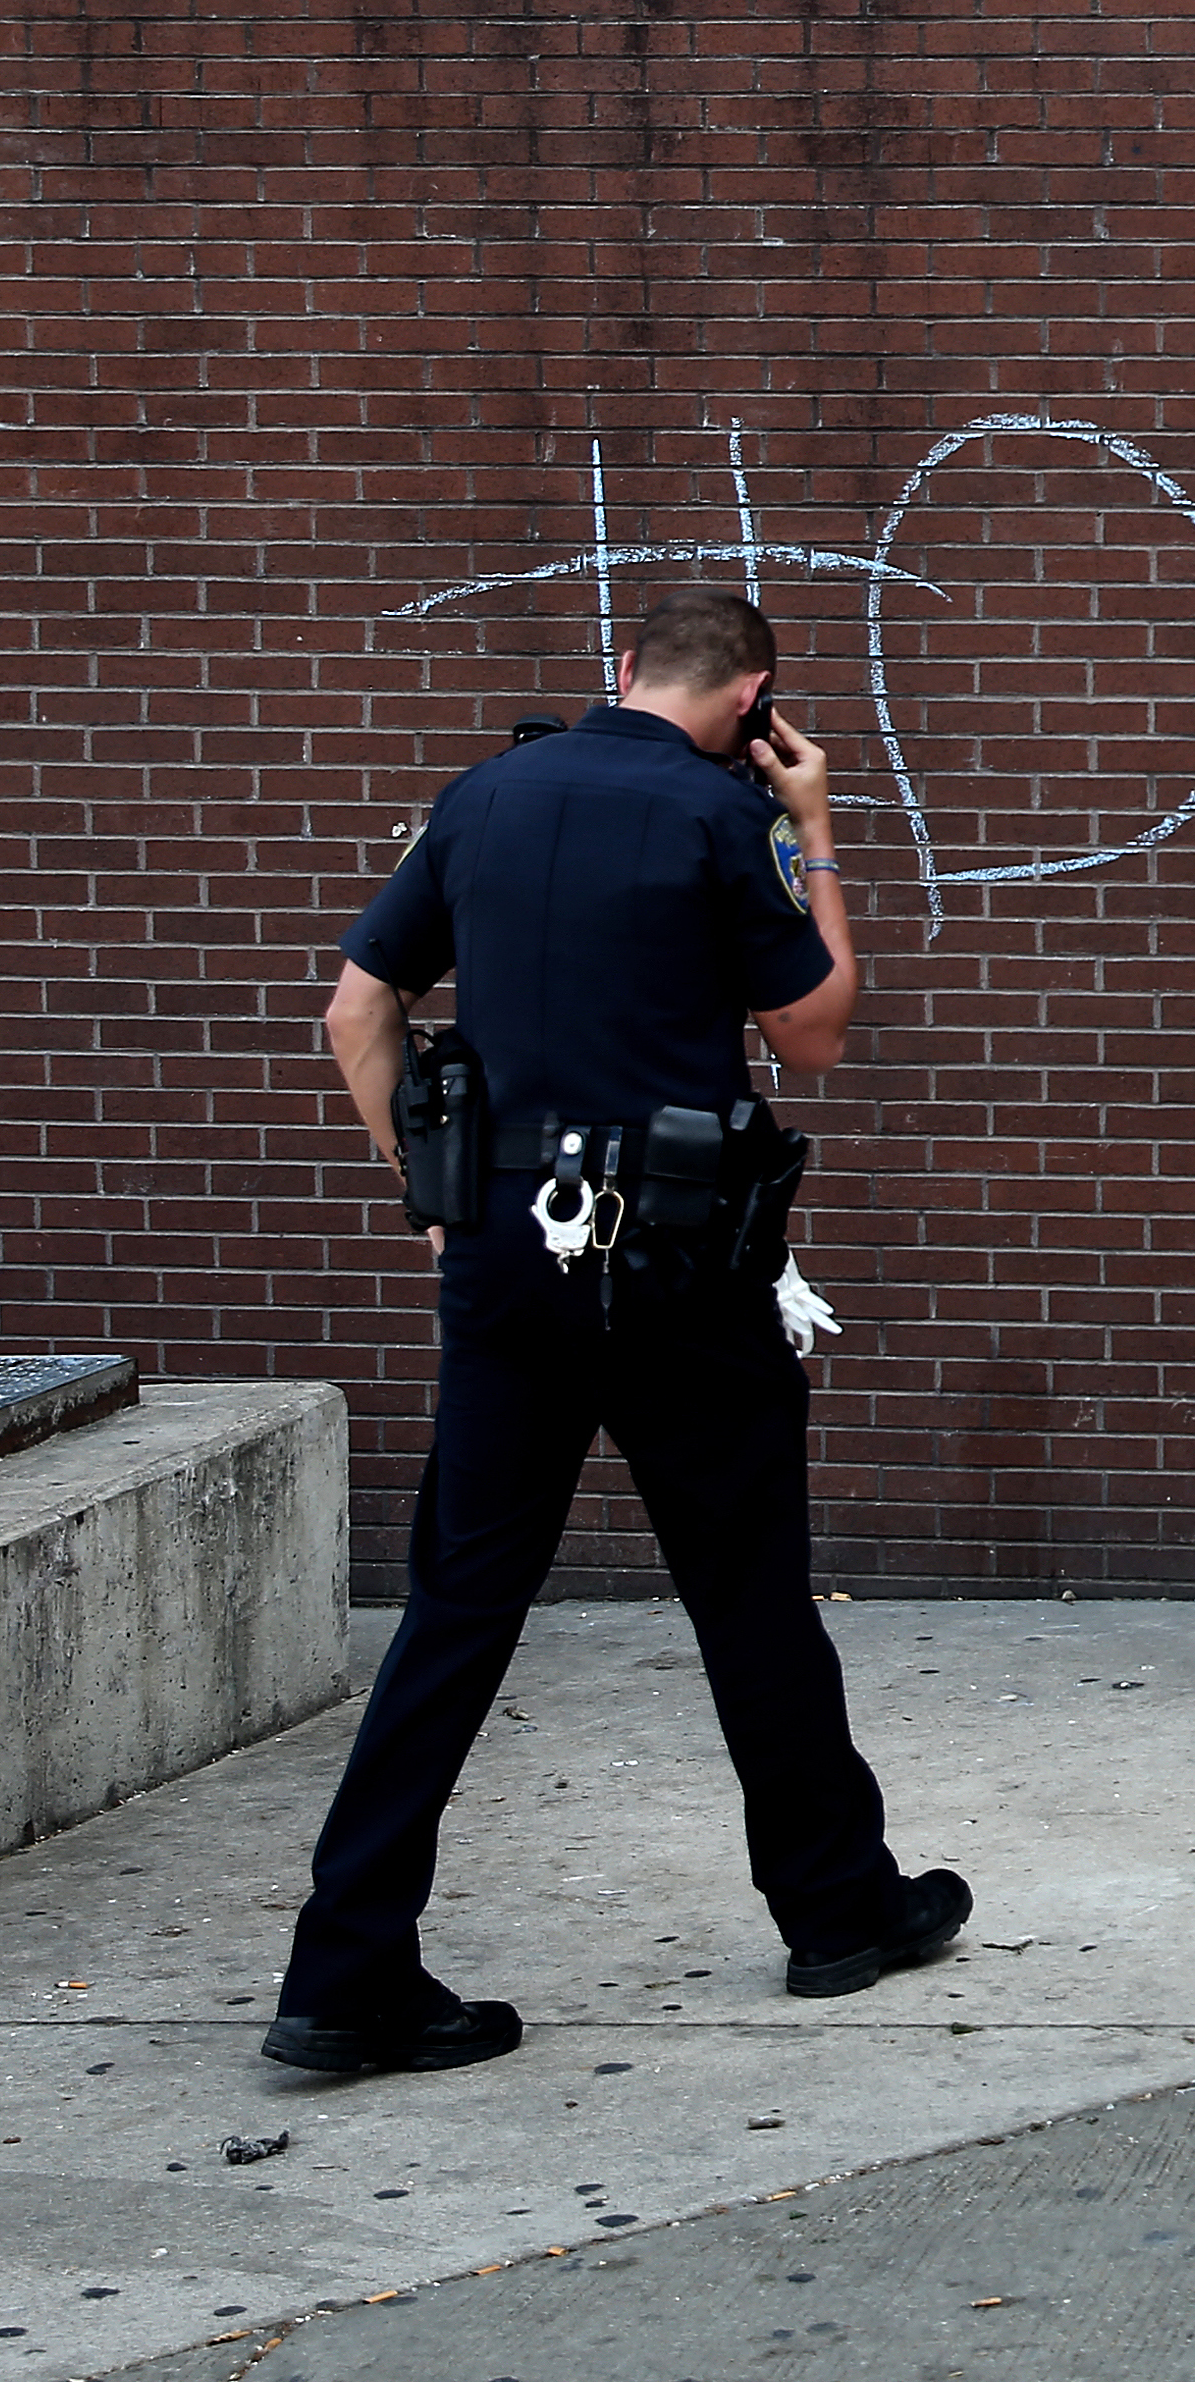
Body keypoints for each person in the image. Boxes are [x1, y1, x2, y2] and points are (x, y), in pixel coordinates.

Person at [265, 583, 964, 2075]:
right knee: (748, 1587)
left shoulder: (483, 799)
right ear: (753, 701)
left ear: (623, 669)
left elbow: (355, 1011)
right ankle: (837, 1911)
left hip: (510, 1256)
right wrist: (819, 829)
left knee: (456, 1607)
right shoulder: (734, 823)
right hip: (683, 1267)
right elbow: (818, 1031)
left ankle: (345, 1967)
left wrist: (430, 1188)